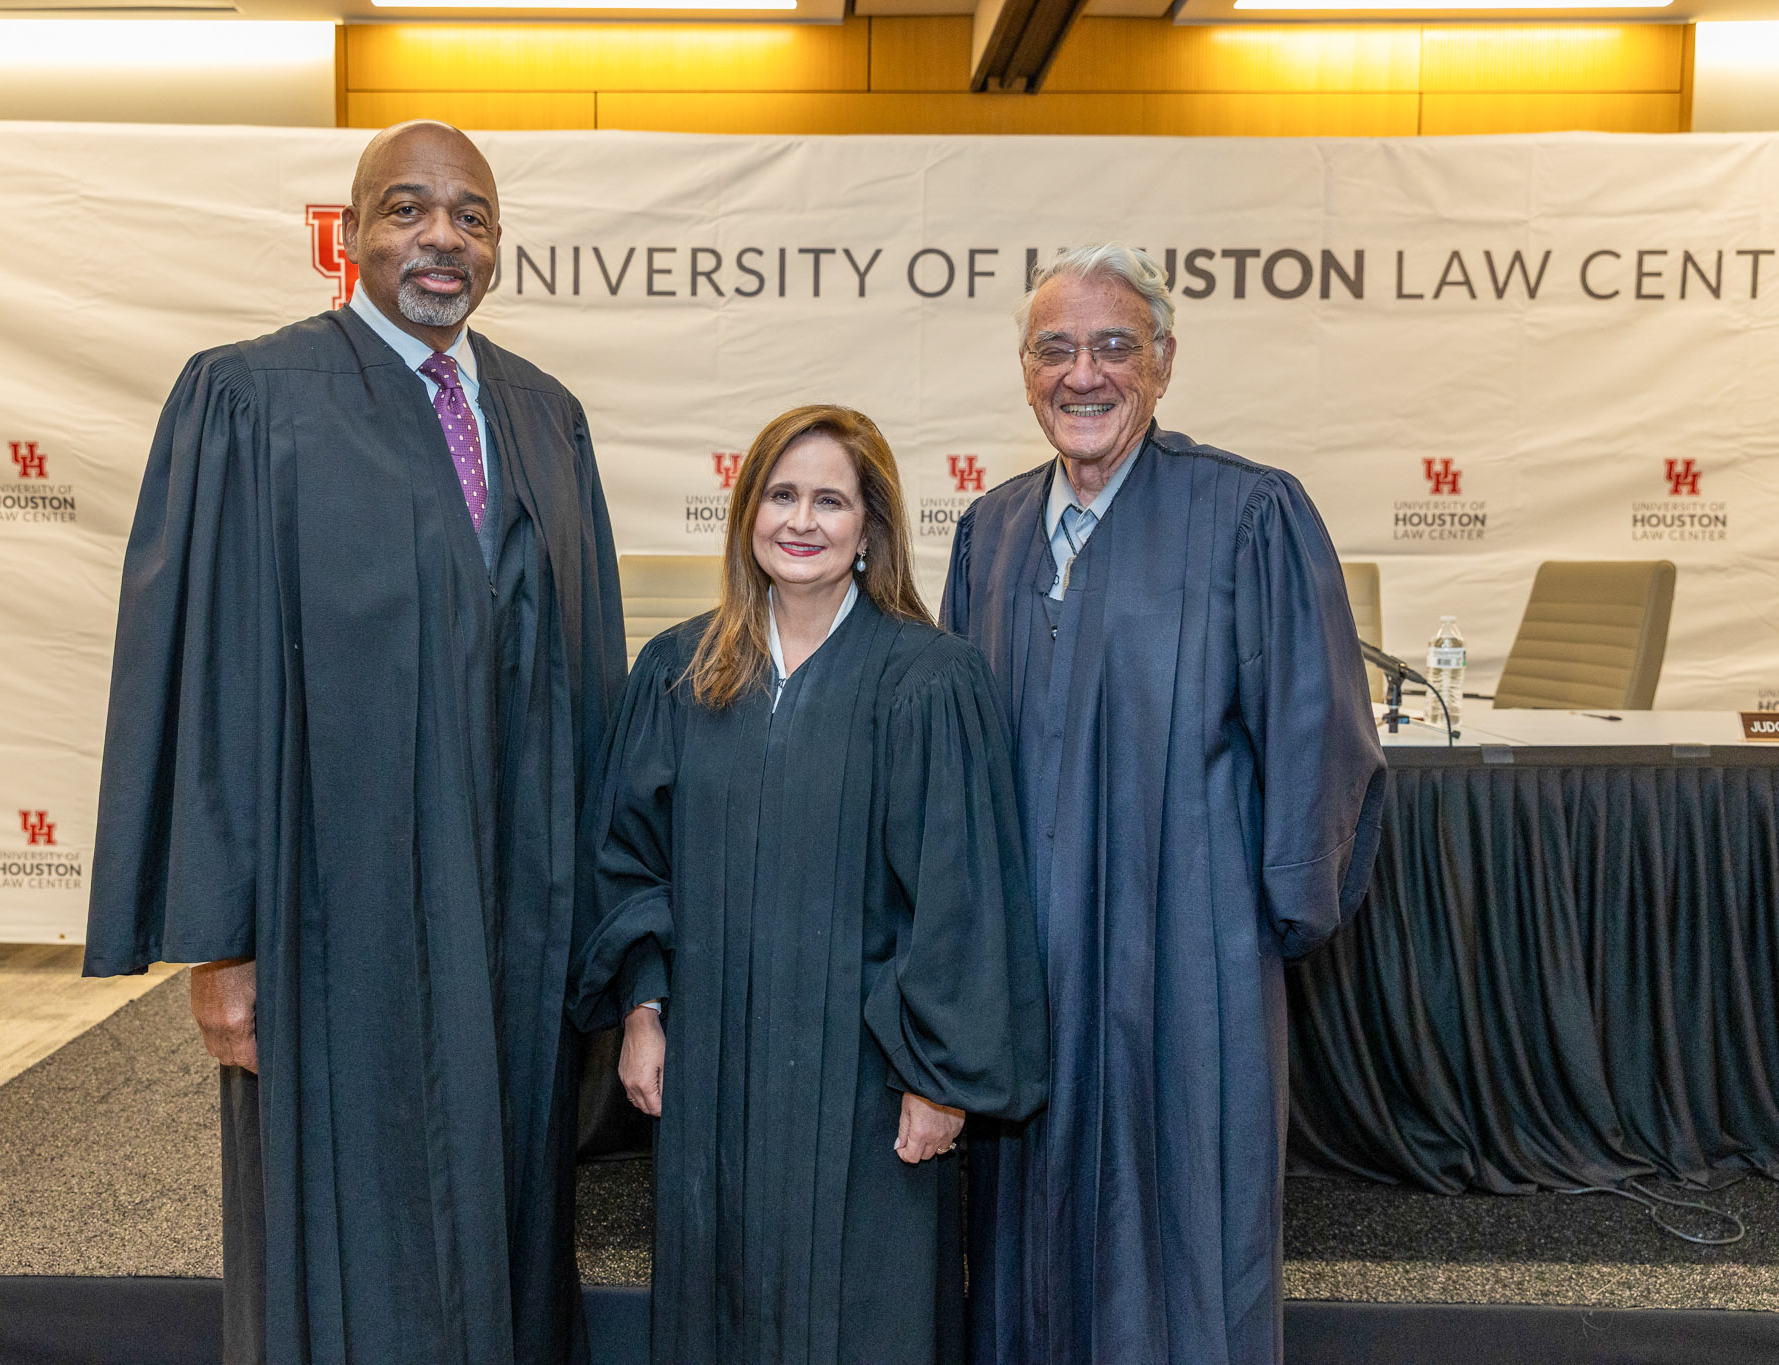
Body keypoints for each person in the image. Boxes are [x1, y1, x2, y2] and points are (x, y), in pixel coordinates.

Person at [83, 121, 626, 1365]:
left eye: (469, 217)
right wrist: (219, 946)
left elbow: (589, 683)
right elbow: (207, 679)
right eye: (405, 210)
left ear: (497, 245)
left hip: (513, 921)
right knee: (346, 1232)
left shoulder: (545, 417)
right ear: (350, 232)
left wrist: (607, 933)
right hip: (335, 931)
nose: (440, 238)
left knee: (506, 1208)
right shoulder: (249, 399)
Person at [943, 244, 1387, 1365]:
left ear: (1163, 363)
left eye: (1112, 347)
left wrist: (1268, 920)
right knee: (1020, 1227)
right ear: (1022, 368)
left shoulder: (1246, 515)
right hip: (1025, 958)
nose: (1081, 374)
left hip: (1184, 953)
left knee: (1184, 1216)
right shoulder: (987, 534)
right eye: (1054, 348)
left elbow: (1317, 732)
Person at [571, 405, 1048, 1365]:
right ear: (748, 513)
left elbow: (962, 895)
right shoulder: (680, 669)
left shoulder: (929, 680)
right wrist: (642, 1010)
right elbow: (629, 857)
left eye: (831, 499)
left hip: (869, 1077)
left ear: (870, 527)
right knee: (718, 1305)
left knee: (867, 1319)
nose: (803, 520)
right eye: (782, 495)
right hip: (713, 1066)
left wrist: (939, 1078)